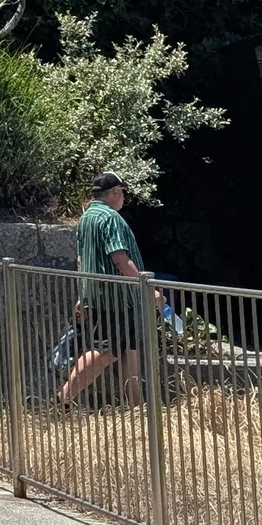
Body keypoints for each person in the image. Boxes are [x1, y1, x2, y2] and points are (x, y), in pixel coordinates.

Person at [60, 172, 152, 405]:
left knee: (129, 350)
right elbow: (120, 258)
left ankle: (137, 406)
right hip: (116, 296)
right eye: (122, 193)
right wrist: (146, 286)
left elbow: (82, 260)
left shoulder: (86, 217)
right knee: (106, 351)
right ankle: (63, 398)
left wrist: (83, 294)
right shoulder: (110, 218)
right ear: (115, 192)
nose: (123, 198)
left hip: (98, 294)